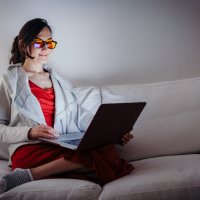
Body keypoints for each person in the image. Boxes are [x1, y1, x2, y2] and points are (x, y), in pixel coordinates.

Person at [0, 18, 134, 194]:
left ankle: (31, 174)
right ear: (23, 44)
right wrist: (30, 132)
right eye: (39, 42)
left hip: (59, 145)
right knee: (106, 162)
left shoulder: (61, 82)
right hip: (29, 148)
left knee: (107, 149)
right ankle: (71, 169)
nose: (46, 48)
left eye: (50, 43)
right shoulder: (8, 81)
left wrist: (112, 132)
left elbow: (79, 115)